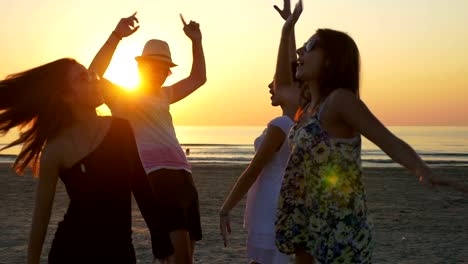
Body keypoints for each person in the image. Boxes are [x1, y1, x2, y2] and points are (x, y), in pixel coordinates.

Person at [274, 1, 468, 263]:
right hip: (307, 220)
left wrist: (422, 170)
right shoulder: (308, 108)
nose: (300, 52)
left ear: (330, 59)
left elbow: (388, 141)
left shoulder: (339, 101)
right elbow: (283, 82)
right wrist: (287, 30)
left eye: (309, 47)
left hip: (339, 226)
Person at [0, 58, 173, 264]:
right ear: (66, 95)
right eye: (83, 78)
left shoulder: (121, 129)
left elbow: (141, 186)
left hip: (121, 253)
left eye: (92, 75)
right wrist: (32, 260)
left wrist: (162, 244)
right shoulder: (56, 149)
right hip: (72, 252)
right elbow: (42, 213)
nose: (94, 80)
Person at [89, 13, 206, 264]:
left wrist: (196, 41)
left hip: (184, 176)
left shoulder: (165, 95)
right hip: (156, 176)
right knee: (180, 260)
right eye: (153, 66)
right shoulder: (122, 97)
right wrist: (117, 35)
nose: (160, 72)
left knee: (180, 256)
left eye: (164, 68)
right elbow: (93, 76)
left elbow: (198, 79)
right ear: (141, 67)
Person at [218, 1, 301, 263]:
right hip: (286, 200)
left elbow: (253, 171)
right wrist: (289, 28)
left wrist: (226, 207)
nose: (271, 85)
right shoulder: (301, 123)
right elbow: (291, 69)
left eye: (276, 81)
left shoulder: (280, 128)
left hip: (270, 204)